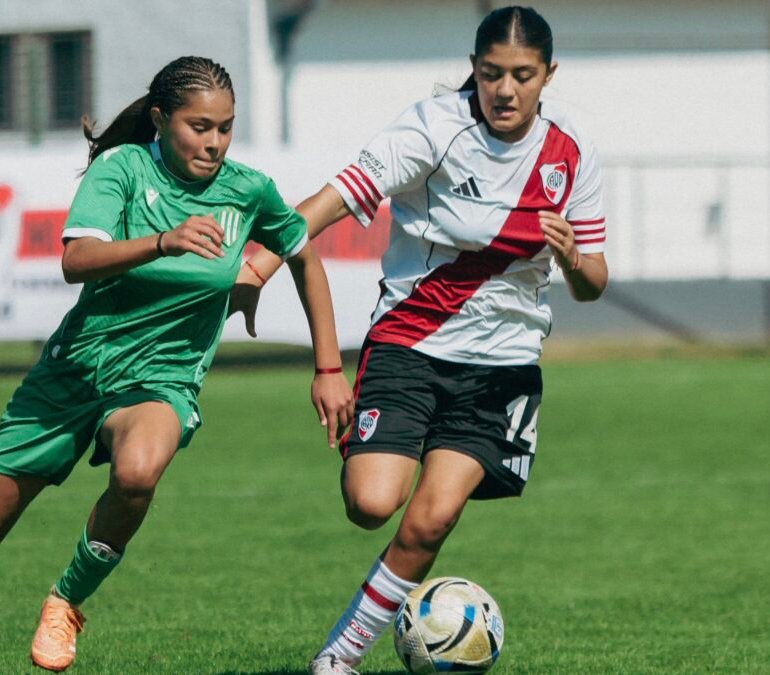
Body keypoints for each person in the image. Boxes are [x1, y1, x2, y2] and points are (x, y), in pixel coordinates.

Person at [0, 55, 353, 674]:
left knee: (138, 473)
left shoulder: (248, 190)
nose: (214, 142)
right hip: (73, 375)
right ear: (160, 120)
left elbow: (304, 257)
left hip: (161, 380)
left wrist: (328, 368)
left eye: (225, 127)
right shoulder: (121, 169)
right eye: (198, 126)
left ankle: (65, 601)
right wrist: (164, 240)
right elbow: (77, 259)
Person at [233, 7, 608, 673]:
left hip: (502, 366)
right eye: (491, 73)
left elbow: (594, 282)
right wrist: (261, 259)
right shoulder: (433, 127)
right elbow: (338, 197)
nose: (505, 90)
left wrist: (574, 256)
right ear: (473, 68)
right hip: (410, 343)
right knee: (371, 502)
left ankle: (336, 660)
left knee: (431, 518)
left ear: (549, 75)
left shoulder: (571, 151)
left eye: (522, 76)